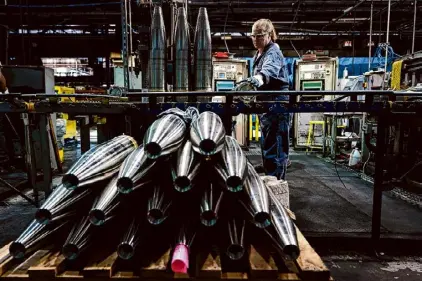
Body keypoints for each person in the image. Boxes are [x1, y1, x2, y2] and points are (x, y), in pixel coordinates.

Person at [237, 19, 290, 180]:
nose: (255, 39)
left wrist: (258, 79)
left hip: (276, 104)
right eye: (253, 36)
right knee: (268, 143)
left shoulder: (273, 51)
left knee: (276, 145)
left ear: (268, 35)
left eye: (259, 36)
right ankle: (270, 176)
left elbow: (269, 70)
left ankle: (276, 184)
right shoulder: (259, 53)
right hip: (267, 105)